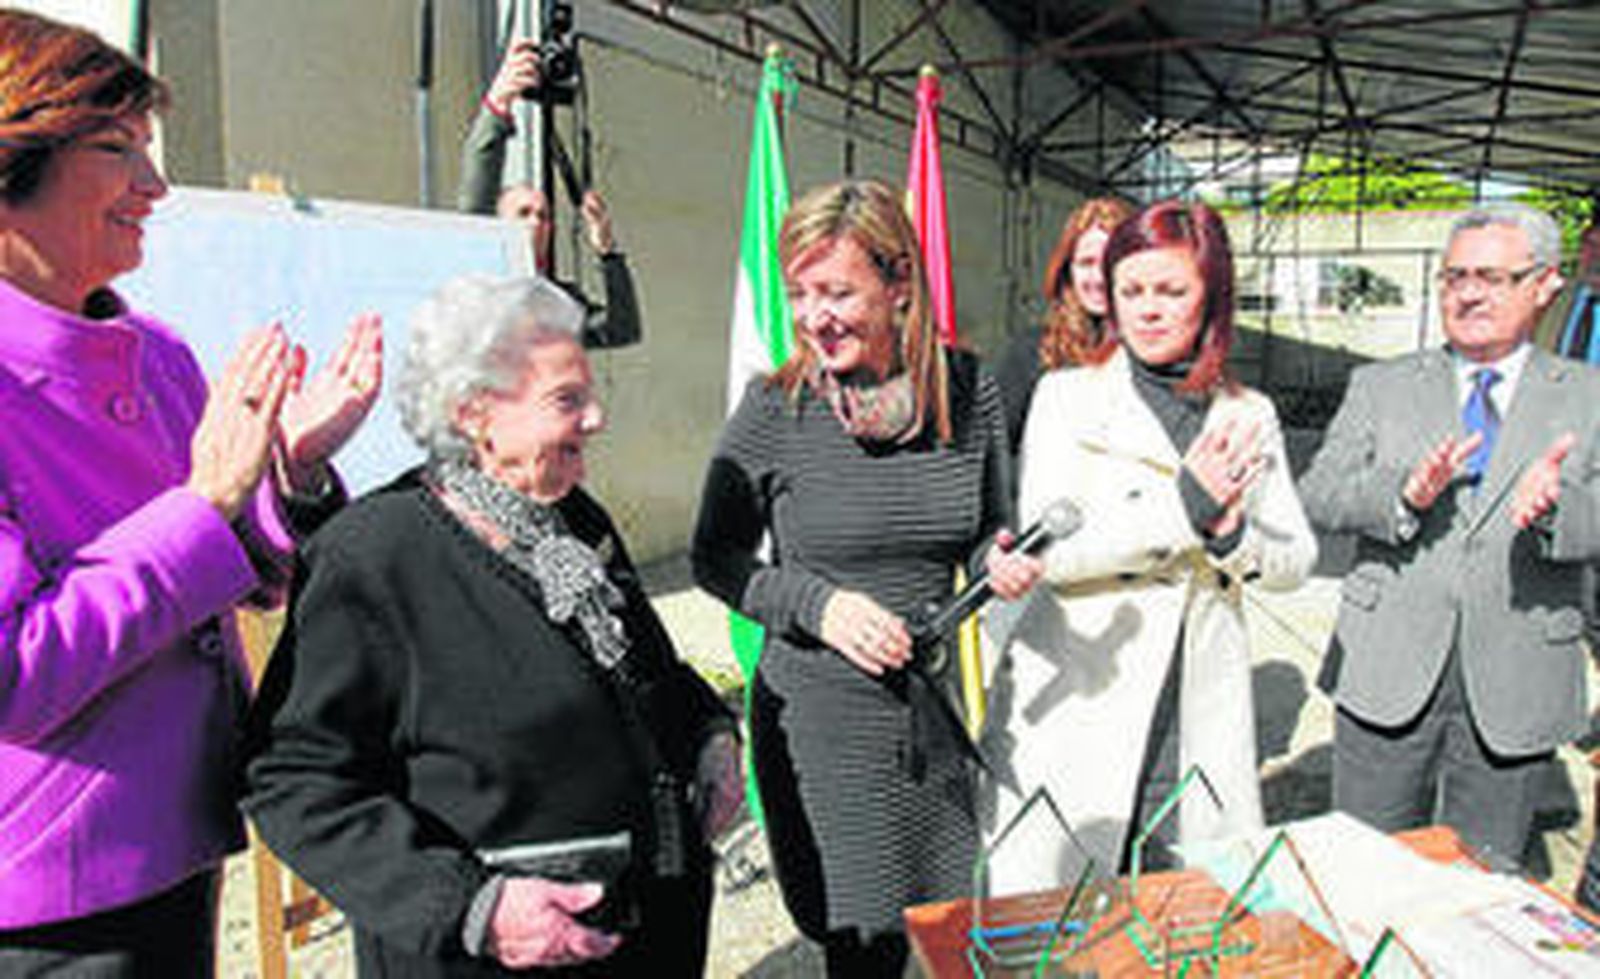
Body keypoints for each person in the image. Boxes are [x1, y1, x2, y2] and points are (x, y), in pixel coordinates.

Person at [0, 11, 381, 975]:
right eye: (119, 149)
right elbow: (14, 672)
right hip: (53, 884)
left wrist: (284, 473)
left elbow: (229, 570)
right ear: (13, 162)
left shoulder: (157, 352)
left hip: (182, 827)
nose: (155, 186)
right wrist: (208, 501)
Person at [243, 275, 741, 976]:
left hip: (638, 940)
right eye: (568, 399)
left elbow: (649, 674)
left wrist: (711, 733)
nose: (596, 417)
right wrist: (470, 908)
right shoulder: (377, 553)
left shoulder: (573, 522)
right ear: (475, 413)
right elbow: (293, 776)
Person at [691, 179, 1042, 976]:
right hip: (823, 729)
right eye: (800, 293)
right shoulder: (774, 407)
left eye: (838, 291)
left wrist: (998, 559)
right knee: (863, 949)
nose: (816, 316)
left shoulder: (968, 389)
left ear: (899, 286)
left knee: (948, 926)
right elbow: (714, 557)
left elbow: (988, 523)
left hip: (929, 722)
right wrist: (818, 604)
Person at [979, 200, 1317, 893]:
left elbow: (1295, 560)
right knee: (1056, 915)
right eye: (1131, 290)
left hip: (1198, 702)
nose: (1147, 309)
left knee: (1184, 906)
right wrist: (1183, 509)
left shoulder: (1249, 414)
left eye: (1172, 290)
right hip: (1083, 693)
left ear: (1212, 297)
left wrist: (1231, 535)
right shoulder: (1067, 397)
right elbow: (1057, 553)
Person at [1301, 202, 1600, 873]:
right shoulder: (1380, 385)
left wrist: (1560, 508)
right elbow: (1318, 492)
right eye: (1454, 276)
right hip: (1387, 667)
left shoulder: (1588, 395)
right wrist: (1403, 495)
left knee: (1482, 881)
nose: (1468, 292)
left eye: (1492, 277)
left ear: (1545, 284)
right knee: (1362, 871)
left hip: (1518, 670)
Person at [457, 38, 640, 350]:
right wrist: (497, 105)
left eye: (543, 215)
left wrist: (608, 252)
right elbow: (476, 195)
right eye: (523, 213)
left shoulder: (558, 303)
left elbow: (622, 330)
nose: (537, 222)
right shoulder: (481, 288)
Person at [992, 196, 1134, 455]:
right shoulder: (1032, 351)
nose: (1098, 277)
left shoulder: (1153, 354)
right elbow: (993, 454)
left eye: (1110, 263)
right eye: (1086, 263)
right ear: (1068, 271)